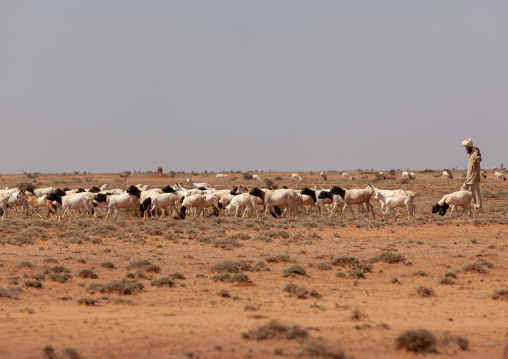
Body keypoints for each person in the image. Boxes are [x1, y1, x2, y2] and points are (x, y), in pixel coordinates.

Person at [460, 138, 482, 211]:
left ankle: (478, 208)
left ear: (470, 147)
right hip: (468, 178)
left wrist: (478, 152)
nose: (466, 149)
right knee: (462, 190)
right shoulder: (470, 155)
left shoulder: (475, 154)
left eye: (466, 147)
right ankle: (464, 206)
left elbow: (479, 159)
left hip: (473, 178)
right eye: (465, 147)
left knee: (475, 193)